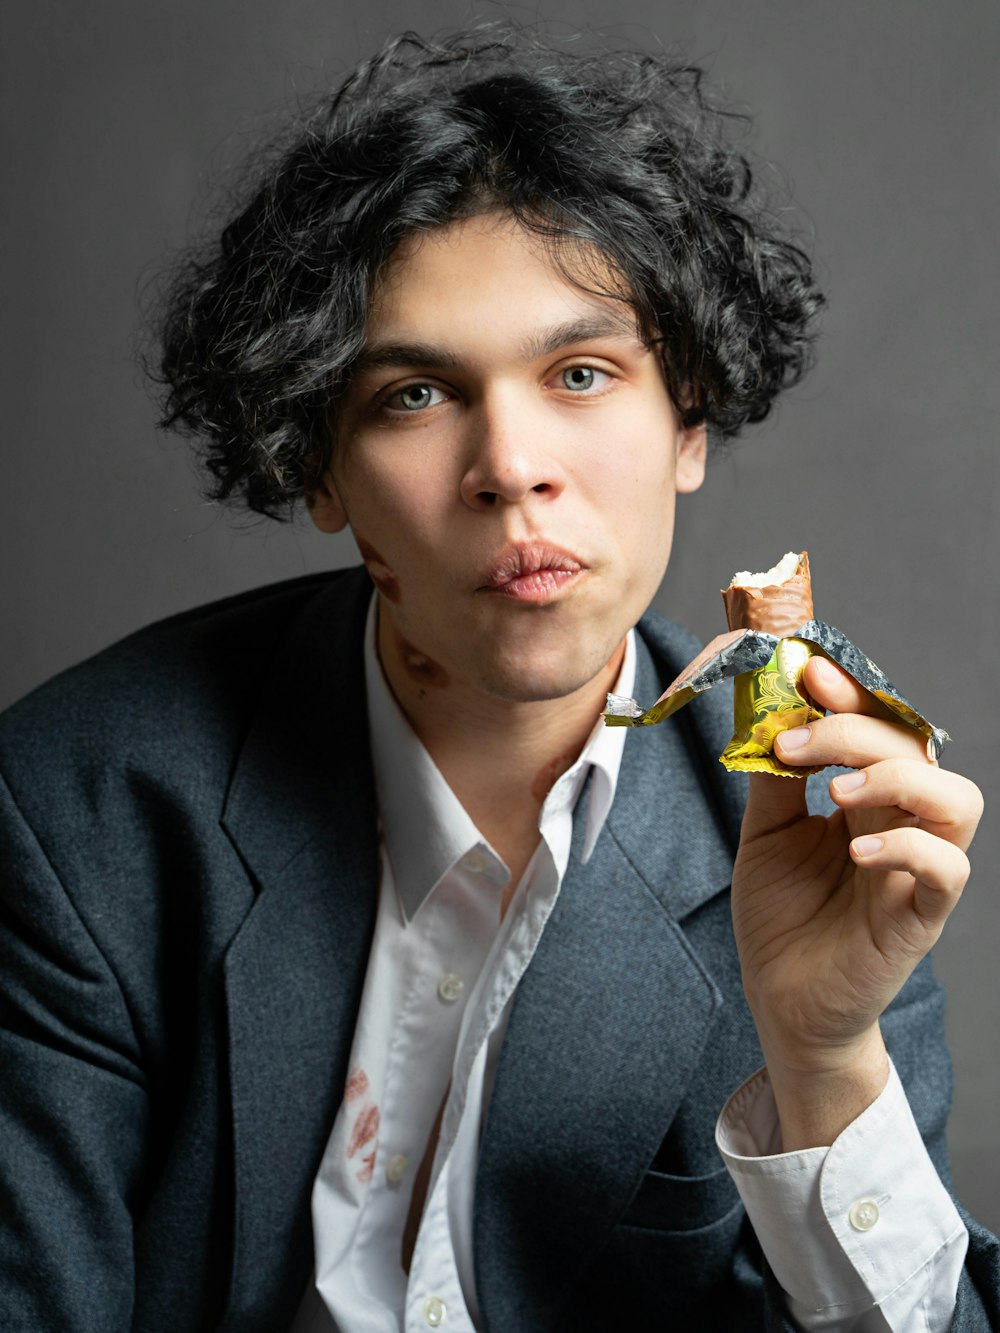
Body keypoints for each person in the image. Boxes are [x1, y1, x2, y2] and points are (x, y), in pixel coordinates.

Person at [0, 25, 995, 1333]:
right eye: (415, 395)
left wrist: (821, 1065)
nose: (510, 463)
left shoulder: (816, 816)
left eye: (582, 373)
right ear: (318, 471)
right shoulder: (82, 813)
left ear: (688, 423)